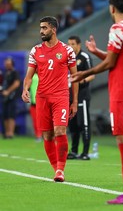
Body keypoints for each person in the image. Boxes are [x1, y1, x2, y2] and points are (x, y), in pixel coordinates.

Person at [70, 0, 123, 204]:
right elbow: (119, 58)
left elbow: (111, 64)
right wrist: (98, 52)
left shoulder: (117, 28)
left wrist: (84, 73)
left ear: (111, 8)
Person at [21, 16, 78, 182]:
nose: (41, 31)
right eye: (40, 28)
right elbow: (29, 76)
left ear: (53, 29)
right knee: (47, 136)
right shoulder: (35, 51)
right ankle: (56, 170)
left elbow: (75, 77)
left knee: (60, 130)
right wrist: (25, 89)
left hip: (61, 96)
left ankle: (60, 170)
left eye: (44, 28)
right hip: (42, 98)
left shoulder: (67, 51)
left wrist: (74, 102)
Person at [67, 35, 95, 160]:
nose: (70, 46)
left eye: (73, 44)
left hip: (82, 95)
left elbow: (92, 74)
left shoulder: (84, 57)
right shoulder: (68, 58)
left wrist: (81, 81)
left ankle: (85, 152)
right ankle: (73, 151)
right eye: (69, 44)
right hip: (70, 95)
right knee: (72, 124)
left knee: (84, 123)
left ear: (79, 45)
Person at [2, 57, 21, 139]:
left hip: (12, 97)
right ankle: (6, 133)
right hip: (5, 98)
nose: (7, 65)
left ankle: (10, 133)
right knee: (5, 115)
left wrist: (8, 91)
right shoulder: (5, 73)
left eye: (8, 64)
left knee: (11, 115)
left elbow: (16, 84)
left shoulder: (15, 73)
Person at [29, 73, 42, 142]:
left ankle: (39, 135)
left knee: (37, 121)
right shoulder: (33, 76)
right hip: (35, 102)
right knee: (36, 121)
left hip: (39, 102)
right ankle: (38, 135)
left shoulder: (33, 77)